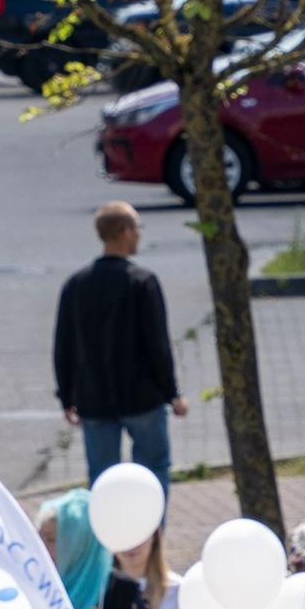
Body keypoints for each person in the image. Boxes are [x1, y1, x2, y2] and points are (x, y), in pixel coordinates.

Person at [53, 199, 186, 485]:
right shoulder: (143, 282)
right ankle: (153, 530)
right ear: (125, 231)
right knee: (154, 470)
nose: (140, 233)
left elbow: (64, 344)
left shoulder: (76, 284)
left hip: (94, 398)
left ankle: (107, 530)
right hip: (143, 398)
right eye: (138, 227)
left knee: (102, 478)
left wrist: (66, 395)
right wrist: (172, 392)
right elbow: (157, 344)